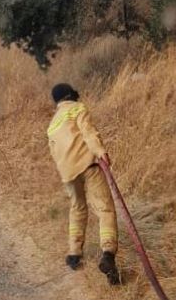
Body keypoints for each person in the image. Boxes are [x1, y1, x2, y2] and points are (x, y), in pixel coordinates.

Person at [47, 82, 120, 285]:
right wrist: (101, 152)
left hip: (67, 172)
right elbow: (88, 132)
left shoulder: (52, 123)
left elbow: (54, 152)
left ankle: (74, 253)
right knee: (105, 209)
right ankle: (108, 253)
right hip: (87, 164)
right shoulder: (77, 108)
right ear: (70, 95)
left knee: (77, 208)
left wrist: (65, 172)